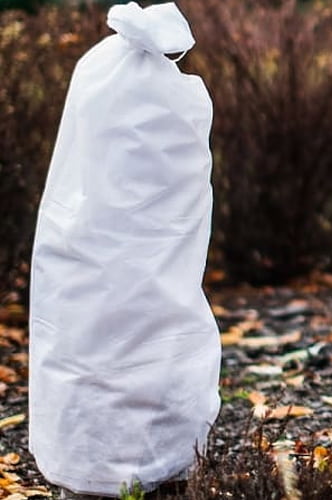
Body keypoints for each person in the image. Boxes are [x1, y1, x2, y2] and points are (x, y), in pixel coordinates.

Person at [28, 3, 220, 496]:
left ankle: (96, 453)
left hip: (95, 248)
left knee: (122, 304)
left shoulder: (103, 82)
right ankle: (156, 448)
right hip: (96, 246)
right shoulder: (138, 89)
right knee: (123, 303)